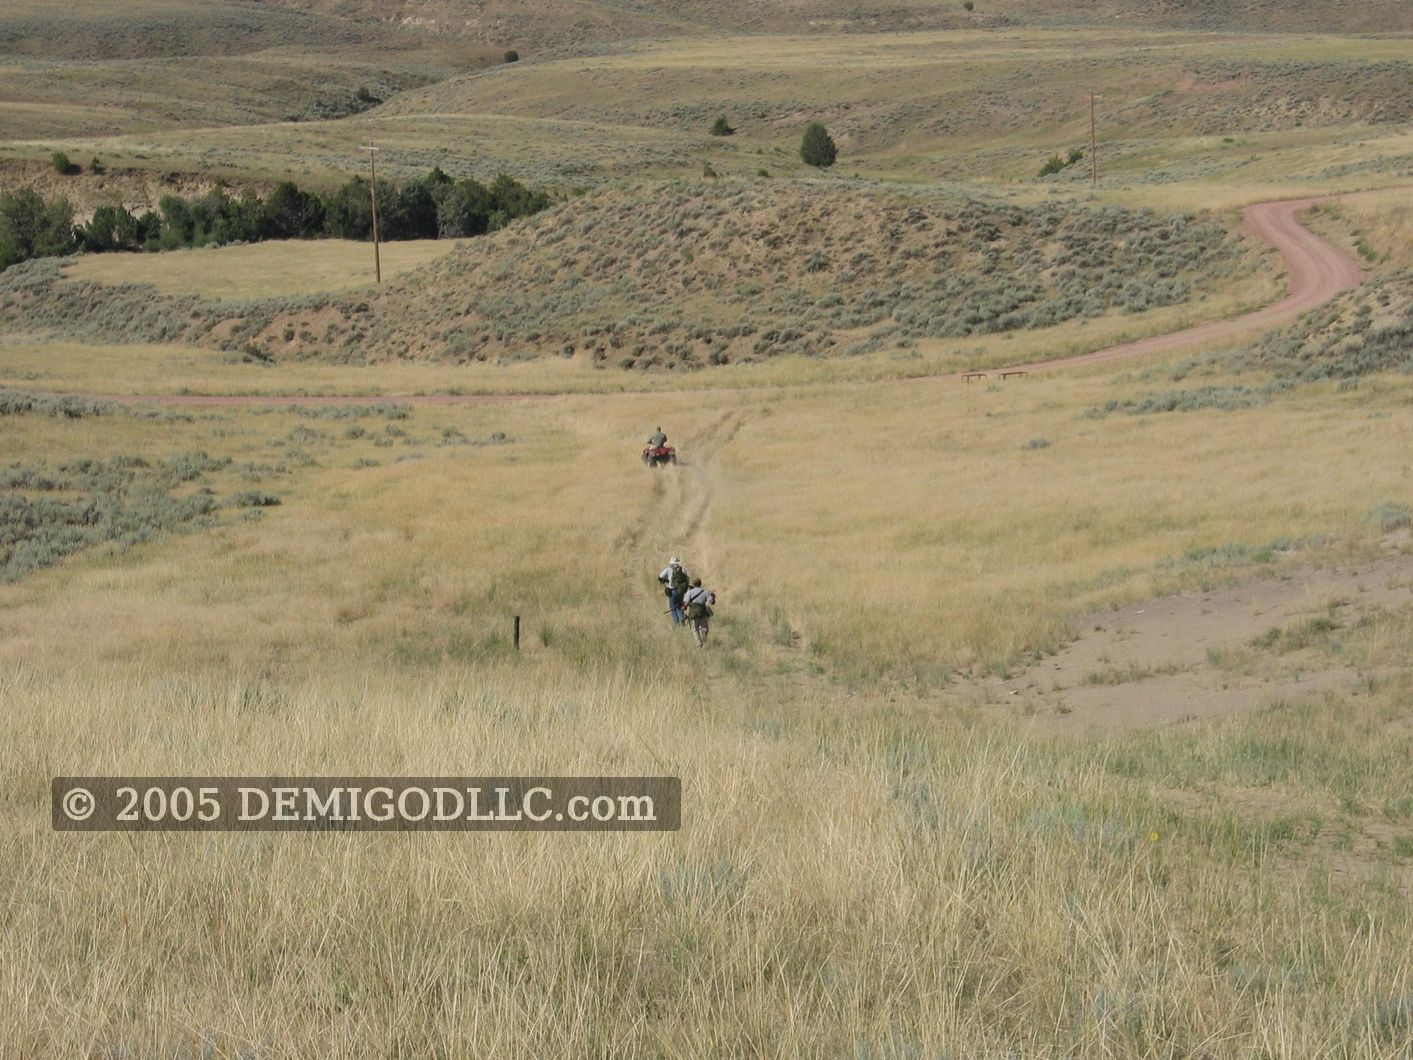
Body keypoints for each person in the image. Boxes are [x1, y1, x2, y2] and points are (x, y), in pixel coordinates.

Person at [683, 577, 716, 648]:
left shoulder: (689, 592)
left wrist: (684, 609)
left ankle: (699, 643)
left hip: (693, 613)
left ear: (693, 584)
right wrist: (712, 597)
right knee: (704, 628)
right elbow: (711, 602)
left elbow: (685, 603)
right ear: (700, 584)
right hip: (702, 612)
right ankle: (703, 639)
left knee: (695, 629)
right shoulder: (705, 592)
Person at [658, 556, 689, 624]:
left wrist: (666, 582)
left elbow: (660, 577)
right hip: (681, 591)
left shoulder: (668, 569)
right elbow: (687, 580)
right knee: (680, 606)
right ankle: (682, 621)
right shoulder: (683, 570)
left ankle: (677, 624)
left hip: (672, 591)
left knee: (673, 609)